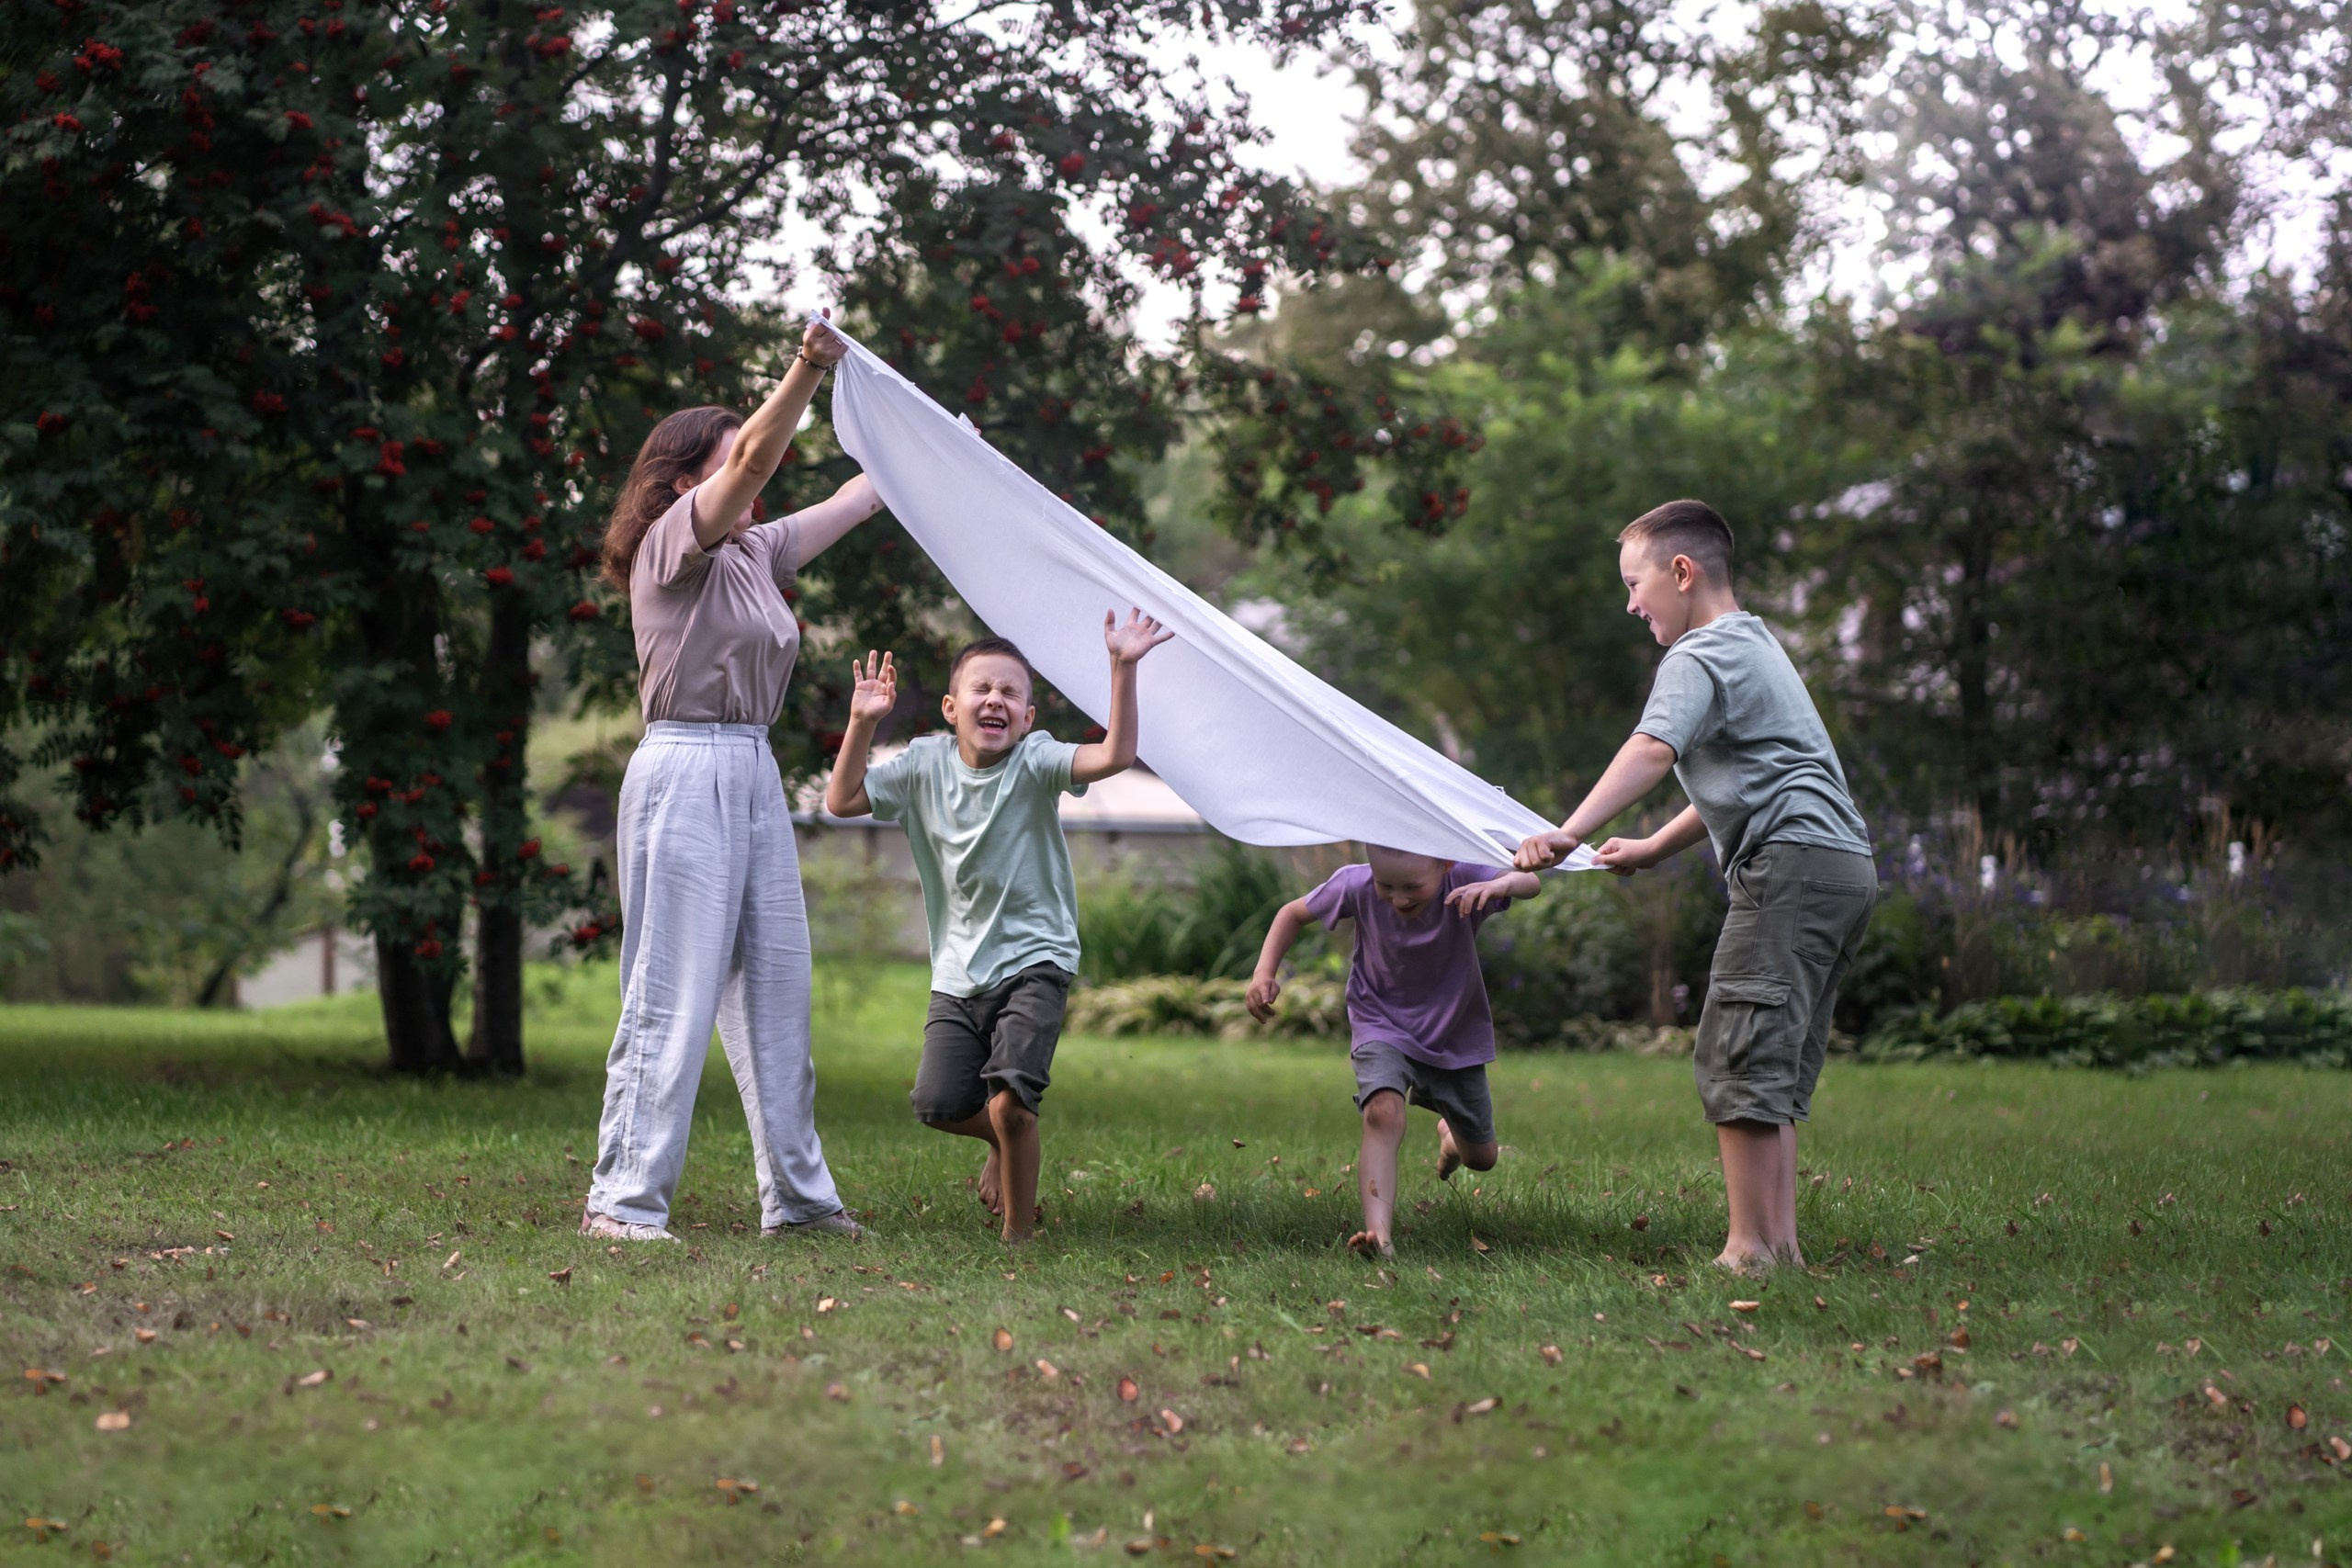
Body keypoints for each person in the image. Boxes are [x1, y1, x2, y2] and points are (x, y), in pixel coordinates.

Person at [581, 316, 884, 1245]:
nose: (755, 476)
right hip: (683, 765)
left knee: (777, 990)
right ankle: (622, 1204)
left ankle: (796, 1202)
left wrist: (945, 444)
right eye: (726, 465)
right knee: (669, 987)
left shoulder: (756, 551)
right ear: (683, 480)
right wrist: (806, 367)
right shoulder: (674, 542)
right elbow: (751, 459)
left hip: (749, 766)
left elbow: (863, 497)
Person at [1514, 499, 1875, 1272]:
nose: (1630, 603)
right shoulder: (1755, 644)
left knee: (1739, 1050)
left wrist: (1567, 829)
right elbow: (1745, 778)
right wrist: (1649, 844)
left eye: (1634, 582)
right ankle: (1779, 1246)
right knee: (1769, 1058)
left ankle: (1748, 1249)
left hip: (1789, 865)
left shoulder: (1699, 654)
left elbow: (1651, 749)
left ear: (1683, 572)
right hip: (1837, 867)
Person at [823, 615, 1174, 1245]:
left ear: (1029, 716)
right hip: (958, 970)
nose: (996, 700)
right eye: (982, 688)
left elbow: (1116, 755)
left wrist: (1123, 668)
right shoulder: (924, 763)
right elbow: (842, 800)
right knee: (935, 1102)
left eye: (1011, 693)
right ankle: (1009, 1140)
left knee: (1012, 1102)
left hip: (1037, 958)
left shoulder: (1036, 762)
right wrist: (862, 722)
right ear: (952, 708)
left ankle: (1018, 1235)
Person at [1247, 846, 1541, 1259]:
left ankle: (1451, 1139)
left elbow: (1531, 881)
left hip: (1453, 1034)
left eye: (1412, 887)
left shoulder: (1465, 877)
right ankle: (1379, 1236)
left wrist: (1500, 884)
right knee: (1381, 1112)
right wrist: (1264, 972)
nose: (1399, 898)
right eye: (1386, 885)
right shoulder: (1356, 882)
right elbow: (1292, 913)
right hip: (1379, 1021)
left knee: (1482, 1158)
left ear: (1445, 863)